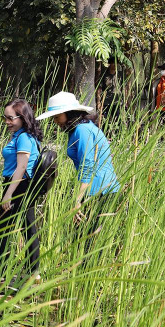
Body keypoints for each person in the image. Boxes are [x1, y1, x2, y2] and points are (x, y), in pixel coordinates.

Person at [36, 91, 120, 241]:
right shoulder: (77, 129)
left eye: (57, 117)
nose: (55, 121)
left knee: (88, 241)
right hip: (97, 188)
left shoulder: (82, 131)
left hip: (100, 191)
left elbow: (87, 166)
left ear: (69, 113)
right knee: (86, 239)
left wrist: (77, 201)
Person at [0, 99, 42, 276]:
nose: (7, 122)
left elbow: (21, 167)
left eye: (10, 118)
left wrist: (8, 194)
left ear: (23, 117)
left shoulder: (23, 138)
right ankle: (32, 272)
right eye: (5, 118)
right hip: (18, 184)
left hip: (18, 186)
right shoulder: (21, 136)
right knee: (27, 227)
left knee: (4, 229)